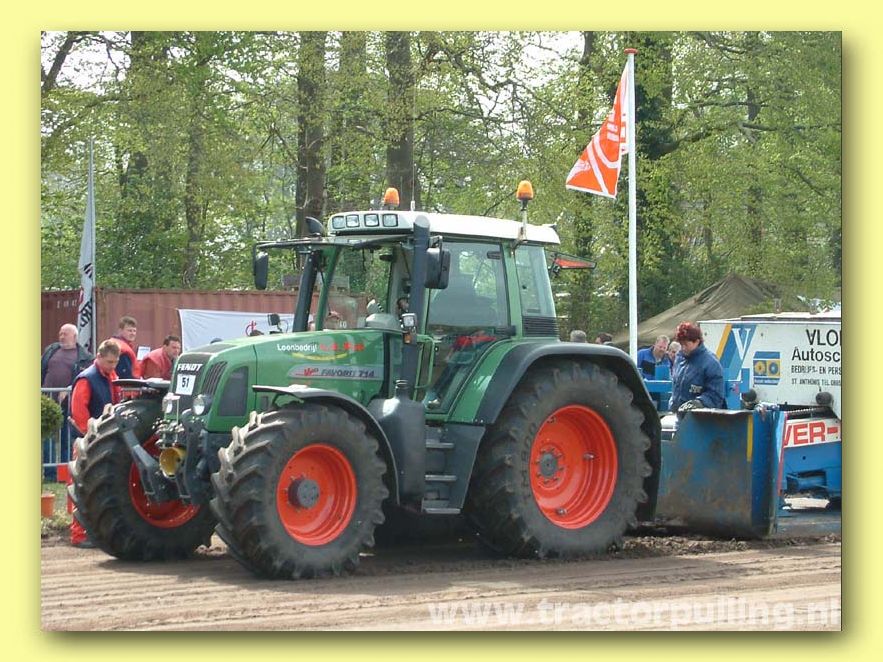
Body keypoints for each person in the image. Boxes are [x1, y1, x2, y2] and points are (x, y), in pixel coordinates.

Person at [68, 339, 122, 547]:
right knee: (81, 486)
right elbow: (79, 412)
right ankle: (78, 534)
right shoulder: (86, 379)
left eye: (115, 362)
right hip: (87, 440)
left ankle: (96, 532)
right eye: (109, 362)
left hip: (103, 439)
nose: (112, 366)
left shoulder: (112, 376)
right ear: (98, 357)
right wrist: (90, 436)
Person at [40, 323, 93, 478]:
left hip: (68, 403)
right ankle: (49, 473)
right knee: (48, 438)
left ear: (75, 336)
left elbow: (84, 378)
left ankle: (63, 473)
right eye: (60, 333)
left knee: (66, 439)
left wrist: (69, 388)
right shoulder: (51, 350)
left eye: (65, 334)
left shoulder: (84, 357)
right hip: (48, 401)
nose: (61, 337)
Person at [669, 321, 726, 414]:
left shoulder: (711, 363)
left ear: (697, 341)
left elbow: (716, 396)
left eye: (686, 344)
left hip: (701, 418)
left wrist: (699, 403)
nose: (683, 348)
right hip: (678, 414)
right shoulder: (679, 358)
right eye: (681, 344)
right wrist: (673, 401)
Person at [108, 315, 141, 379]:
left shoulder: (113, 342)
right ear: (120, 331)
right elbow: (125, 375)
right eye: (129, 331)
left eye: (134, 331)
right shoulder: (121, 349)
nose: (133, 333)